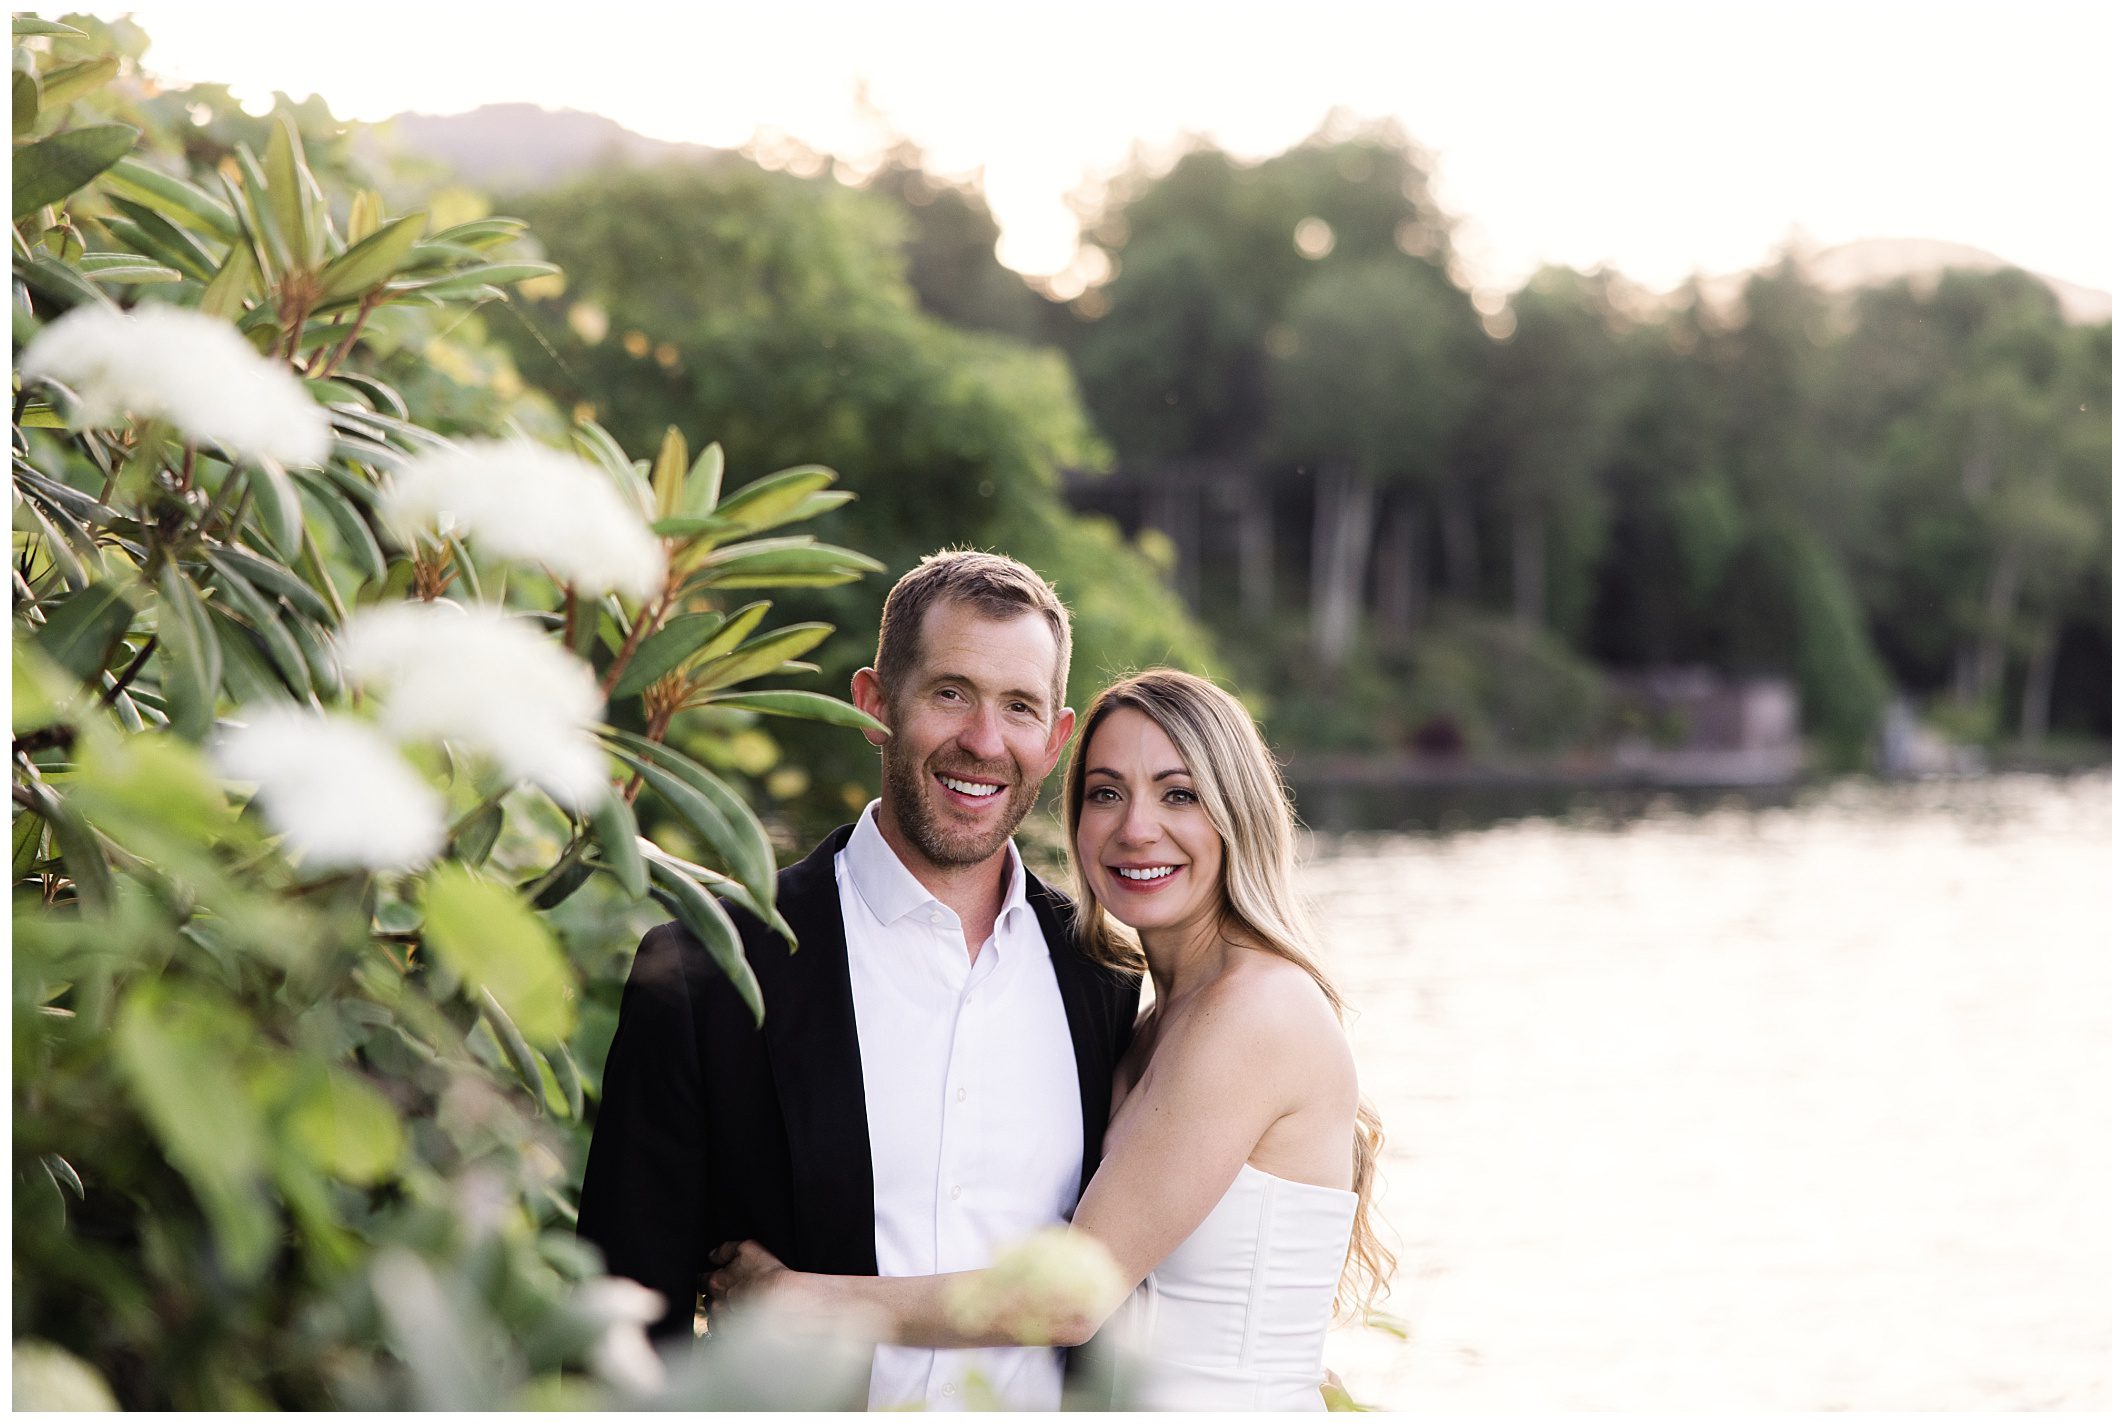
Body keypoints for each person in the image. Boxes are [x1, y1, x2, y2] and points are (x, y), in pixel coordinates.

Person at [708, 668, 1393, 1411]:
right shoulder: (1146, 1022)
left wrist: (795, 1300)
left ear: (1238, 814)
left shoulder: (1258, 1011)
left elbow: (1074, 1300)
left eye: (1179, 794)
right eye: (1105, 792)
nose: (1135, 828)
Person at [577, 550, 1142, 1411]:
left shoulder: (1101, 973)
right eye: (949, 692)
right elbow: (622, 1328)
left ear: (1056, 739)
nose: (984, 743)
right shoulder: (707, 971)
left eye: (1018, 707)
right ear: (875, 705)